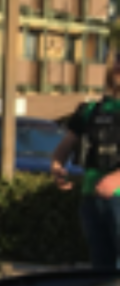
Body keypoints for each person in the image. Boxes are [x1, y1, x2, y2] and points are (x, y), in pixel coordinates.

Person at [51, 57, 120, 269]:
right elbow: (67, 143)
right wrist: (57, 165)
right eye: (118, 61)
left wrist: (116, 179)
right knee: (100, 268)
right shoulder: (90, 110)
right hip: (91, 199)